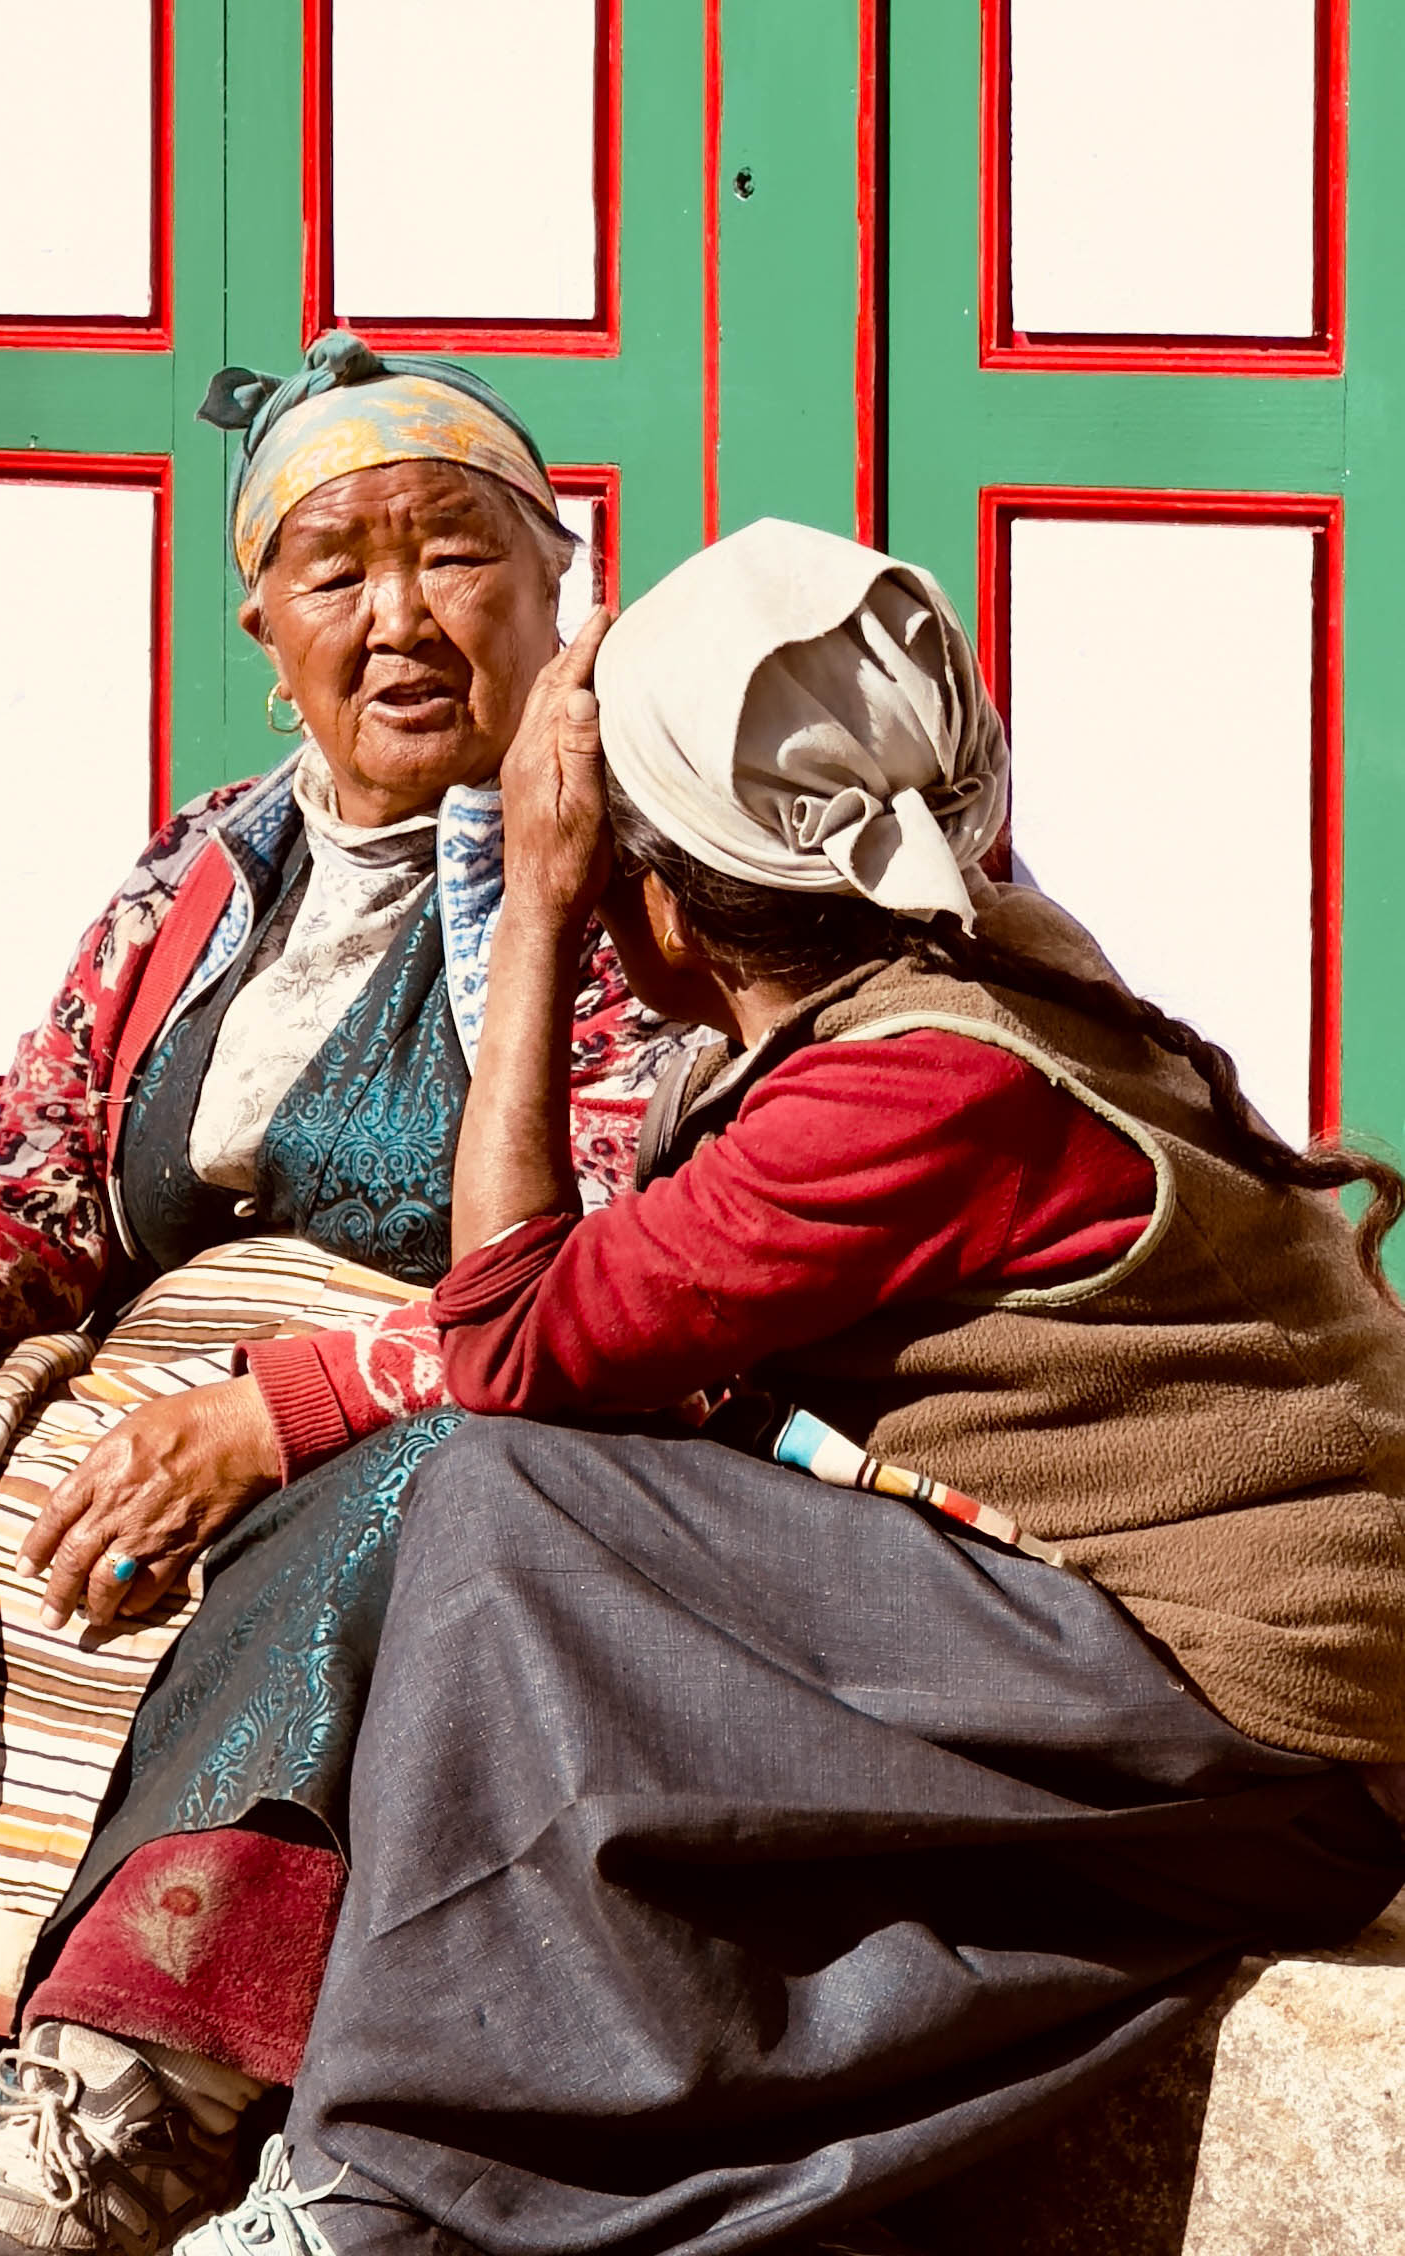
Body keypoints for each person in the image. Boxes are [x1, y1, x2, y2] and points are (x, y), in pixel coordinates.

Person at [204, 519, 1405, 2256]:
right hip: (1218, 1689)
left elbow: (509, 1349)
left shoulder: (909, 1093)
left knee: (496, 1497)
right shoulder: (967, 962)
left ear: (668, 901)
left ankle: (388, 2188)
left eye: (621, 871)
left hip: (1255, 1730)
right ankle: (468, 2145)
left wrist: (531, 915)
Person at [0, 334, 686, 2252]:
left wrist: (283, 1410)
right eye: (341, 570)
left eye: (457, 556)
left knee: (394, 1524)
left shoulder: (649, 880)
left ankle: (129, 2109)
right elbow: (41, 1170)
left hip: (455, 1391)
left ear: (560, 578)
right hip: (145, 1360)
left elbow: (624, 1266)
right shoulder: (210, 870)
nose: (401, 617)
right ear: (265, 619)